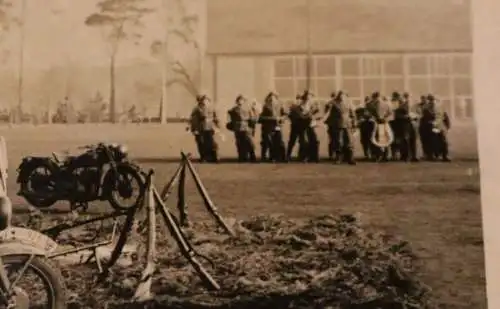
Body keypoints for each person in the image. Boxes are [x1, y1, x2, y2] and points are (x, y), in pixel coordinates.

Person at [324, 91, 357, 165]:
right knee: (338, 142)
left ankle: (350, 158)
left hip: (347, 125)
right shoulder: (333, 103)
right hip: (337, 125)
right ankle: (338, 158)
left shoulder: (349, 103)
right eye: (341, 96)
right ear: (338, 96)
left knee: (349, 141)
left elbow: (353, 114)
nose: (342, 97)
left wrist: (354, 123)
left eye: (343, 96)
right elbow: (327, 113)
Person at [189, 94, 220, 163]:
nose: (205, 102)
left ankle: (214, 157)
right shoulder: (197, 109)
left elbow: (216, 118)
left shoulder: (212, 108)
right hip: (200, 128)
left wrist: (218, 127)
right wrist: (194, 129)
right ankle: (204, 157)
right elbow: (194, 120)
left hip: (210, 128)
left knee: (211, 143)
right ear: (201, 101)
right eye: (204, 100)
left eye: (207, 100)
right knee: (201, 143)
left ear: (209, 101)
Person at [227, 95, 257, 162]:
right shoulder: (233, 109)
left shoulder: (248, 108)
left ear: (244, 101)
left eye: (241, 100)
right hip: (237, 128)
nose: (240, 101)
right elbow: (230, 118)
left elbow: (252, 118)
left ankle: (252, 156)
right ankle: (242, 157)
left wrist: (251, 126)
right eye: (238, 100)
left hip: (246, 127)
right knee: (239, 143)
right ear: (236, 101)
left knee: (249, 142)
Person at [258, 92, 287, 162]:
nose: (272, 100)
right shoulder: (265, 106)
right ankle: (271, 157)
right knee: (269, 142)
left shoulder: (280, 106)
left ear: (276, 98)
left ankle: (282, 157)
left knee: (280, 142)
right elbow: (260, 118)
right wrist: (271, 118)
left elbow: (285, 115)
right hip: (268, 127)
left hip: (277, 126)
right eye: (270, 98)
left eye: (273, 98)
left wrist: (281, 118)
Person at [422, 94, 451, 162]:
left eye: (431, 100)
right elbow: (424, 119)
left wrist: (447, 124)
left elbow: (444, 115)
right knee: (434, 141)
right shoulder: (426, 108)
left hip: (438, 126)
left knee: (442, 141)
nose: (431, 102)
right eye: (430, 100)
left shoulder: (438, 107)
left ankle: (443, 156)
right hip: (432, 127)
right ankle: (434, 155)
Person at [366, 92, 393, 162]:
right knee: (376, 139)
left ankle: (383, 155)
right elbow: (367, 114)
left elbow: (391, 114)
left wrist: (385, 119)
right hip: (374, 123)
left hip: (381, 123)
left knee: (382, 139)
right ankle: (379, 155)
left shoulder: (385, 104)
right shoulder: (370, 104)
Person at [296, 90, 321, 163]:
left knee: (315, 141)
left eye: (310, 96)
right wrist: (310, 114)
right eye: (308, 96)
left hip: (311, 125)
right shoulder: (300, 106)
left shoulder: (313, 105)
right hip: (303, 125)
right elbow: (302, 115)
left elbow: (318, 115)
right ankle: (304, 157)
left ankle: (314, 156)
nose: (309, 98)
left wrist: (315, 116)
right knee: (304, 141)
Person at [286, 94, 303, 161]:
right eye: (298, 99)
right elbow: (290, 115)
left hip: (298, 126)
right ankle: (288, 155)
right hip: (295, 126)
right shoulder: (294, 107)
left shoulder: (298, 107)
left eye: (300, 99)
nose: (299, 100)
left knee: (301, 141)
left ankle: (300, 156)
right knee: (292, 142)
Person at [357, 96, 374, 161]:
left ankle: (369, 154)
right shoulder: (361, 109)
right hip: (364, 127)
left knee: (368, 141)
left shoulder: (371, 108)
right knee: (365, 141)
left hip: (369, 127)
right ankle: (367, 154)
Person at [323, 92, 336, 161]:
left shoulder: (328, 103)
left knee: (332, 139)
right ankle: (333, 154)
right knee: (333, 139)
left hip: (331, 124)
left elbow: (325, 114)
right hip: (333, 124)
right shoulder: (330, 104)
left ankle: (332, 155)